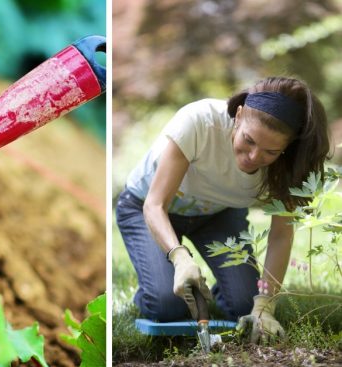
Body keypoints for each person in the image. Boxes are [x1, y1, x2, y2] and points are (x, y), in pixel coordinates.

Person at [115, 76, 331, 343]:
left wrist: (265, 304)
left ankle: (220, 289)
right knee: (166, 307)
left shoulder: (289, 167)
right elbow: (154, 205)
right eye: (249, 140)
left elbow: (281, 236)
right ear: (238, 116)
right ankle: (154, 283)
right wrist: (180, 258)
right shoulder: (199, 122)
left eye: (270, 152)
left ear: (287, 147)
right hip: (146, 208)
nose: (254, 157)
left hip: (217, 215)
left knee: (246, 305)